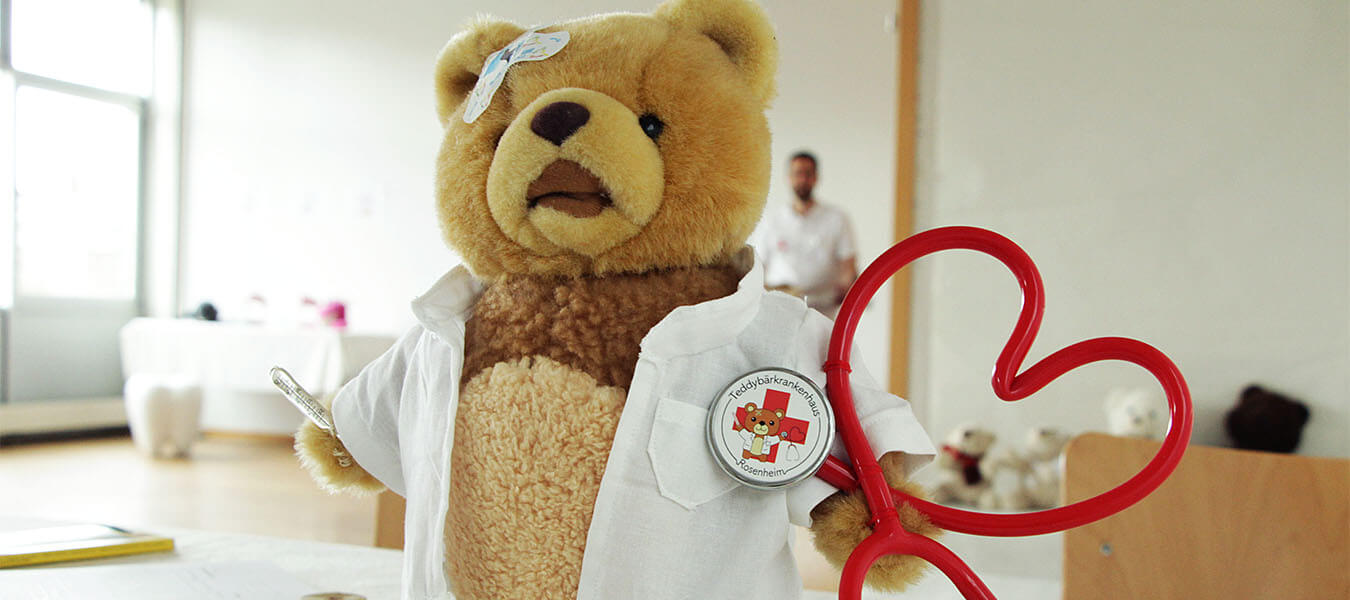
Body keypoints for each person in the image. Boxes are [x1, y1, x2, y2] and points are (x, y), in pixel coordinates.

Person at [755, 151, 858, 317]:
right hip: (781, 308)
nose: (803, 179)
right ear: (789, 178)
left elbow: (848, 265)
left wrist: (846, 287)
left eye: (808, 174)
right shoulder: (771, 220)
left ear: (816, 178)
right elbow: (758, 267)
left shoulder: (837, 218)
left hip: (823, 309)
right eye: (798, 173)